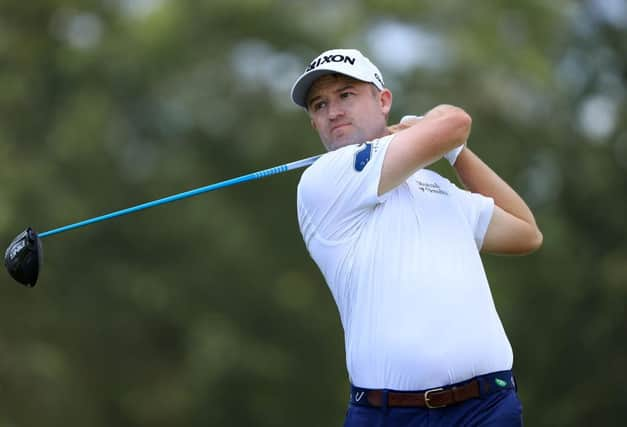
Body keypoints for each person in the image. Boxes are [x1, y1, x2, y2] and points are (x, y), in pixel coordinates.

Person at [290, 48, 543, 426]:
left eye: (346, 95)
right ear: (314, 123)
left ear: (383, 100)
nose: (333, 111)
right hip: (390, 415)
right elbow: (456, 120)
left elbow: (526, 233)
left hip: (488, 408)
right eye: (319, 105)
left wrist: (457, 153)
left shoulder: (434, 185)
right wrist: (436, 126)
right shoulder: (324, 179)